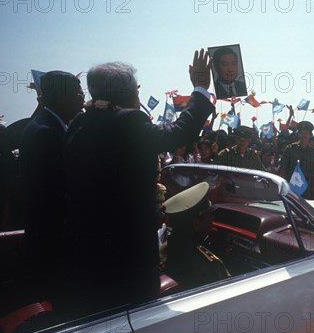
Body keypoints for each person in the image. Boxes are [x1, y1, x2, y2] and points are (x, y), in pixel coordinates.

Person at [62, 49, 215, 316]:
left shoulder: (80, 122)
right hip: (127, 249)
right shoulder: (127, 120)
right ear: (128, 94)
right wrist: (200, 89)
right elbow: (177, 134)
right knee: (139, 315)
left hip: (88, 247)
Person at [18, 71, 84, 299]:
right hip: (53, 246)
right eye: (77, 92)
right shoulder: (46, 133)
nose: (83, 97)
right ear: (60, 97)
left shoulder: (49, 126)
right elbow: (59, 196)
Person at [161, 182, 230, 290]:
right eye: (210, 214)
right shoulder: (211, 266)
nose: (213, 219)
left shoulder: (162, 251)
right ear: (196, 223)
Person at [278, 120, 314, 199]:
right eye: (301, 133)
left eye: (305, 133)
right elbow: (282, 169)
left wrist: (313, 187)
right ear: (298, 134)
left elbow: (313, 171)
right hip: (291, 185)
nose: (303, 135)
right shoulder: (290, 149)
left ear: (310, 135)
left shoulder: (313, 152)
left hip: (306, 187)